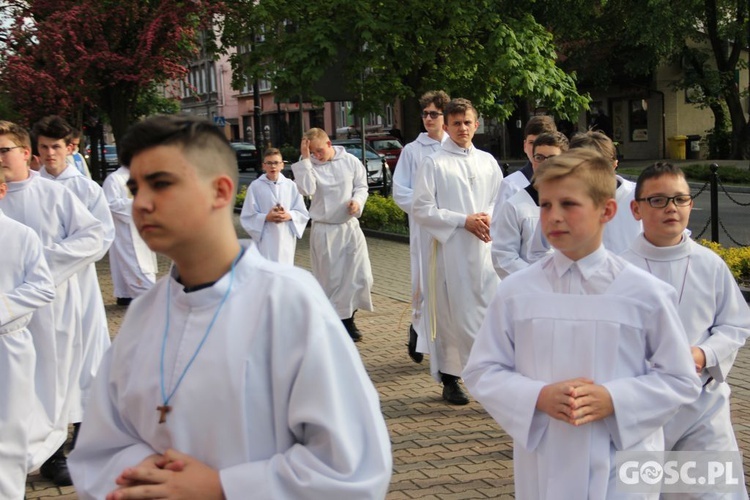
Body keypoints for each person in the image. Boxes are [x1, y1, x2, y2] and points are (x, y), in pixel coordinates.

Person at [68, 115, 392, 499]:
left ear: (220, 191)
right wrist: (143, 473)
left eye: (161, 184)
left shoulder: (290, 303)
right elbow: (99, 446)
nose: (141, 203)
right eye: (136, 188)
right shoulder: (142, 314)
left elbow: (351, 465)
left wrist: (223, 487)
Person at [463, 149, 701, 498]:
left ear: (607, 210)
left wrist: (614, 398)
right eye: (545, 205)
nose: (554, 217)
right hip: (546, 457)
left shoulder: (645, 293)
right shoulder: (516, 291)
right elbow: (482, 369)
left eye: (569, 204)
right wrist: (537, 396)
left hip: (622, 457)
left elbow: (680, 379)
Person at [622, 163, 750, 499]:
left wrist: (703, 353)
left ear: (691, 204)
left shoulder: (710, 264)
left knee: (711, 493)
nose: (671, 209)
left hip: (701, 406)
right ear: (636, 208)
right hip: (642, 410)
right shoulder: (617, 271)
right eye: (659, 200)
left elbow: (735, 324)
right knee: (645, 491)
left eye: (680, 199)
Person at [0, 121, 104, 486]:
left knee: (53, 381)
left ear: (24, 153)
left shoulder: (54, 194)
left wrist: (41, 261)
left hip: (50, 306)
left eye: (4, 151)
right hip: (8, 319)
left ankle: (51, 452)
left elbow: (94, 236)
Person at [33, 115, 116, 455]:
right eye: (44, 147)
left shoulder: (86, 189)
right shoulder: (27, 186)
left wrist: (46, 262)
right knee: (45, 364)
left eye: (56, 146)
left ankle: (84, 437)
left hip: (77, 289)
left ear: (71, 148)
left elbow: (101, 238)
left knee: (85, 360)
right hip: (35, 295)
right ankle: (47, 443)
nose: (50, 153)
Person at [411, 98, 503, 405]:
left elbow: (498, 198)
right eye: (456, 123)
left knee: (487, 310)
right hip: (449, 249)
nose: (462, 128)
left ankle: (490, 374)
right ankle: (451, 378)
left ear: (477, 124)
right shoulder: (434, 162)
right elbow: (422, 208)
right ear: (446, 127)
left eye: (468, 122)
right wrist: (462, 221)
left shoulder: (488, 161)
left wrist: (488, 215)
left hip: (484, 249)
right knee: (449, 313)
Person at [0, 169, 56, 500]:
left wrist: (3, 307)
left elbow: (42, 287)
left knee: (9, 427)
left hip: (9, 345)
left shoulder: (21, 235)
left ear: (2, 190)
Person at [291, 127, 374, 341]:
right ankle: (341, 323)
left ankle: (348, 316)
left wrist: (357, 202)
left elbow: (361, 186)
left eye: (319, 151)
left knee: (360, 276)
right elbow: (307, 189)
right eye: (313, 153)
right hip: (325, 228)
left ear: (329, 144)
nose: (318, 156)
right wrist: (306, 160)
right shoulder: (310, 165)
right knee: (332, 280)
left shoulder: (350, 161)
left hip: (349, 226)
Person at [392, 90, 450, 364]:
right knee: (424, 282)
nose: (428, 118)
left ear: (444, 117)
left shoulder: (455, 147)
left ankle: (443, 343)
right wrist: (427, 210)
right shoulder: (413, 151)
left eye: (434, 114)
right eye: (425, 114)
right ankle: (418, 329)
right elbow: (400, 191)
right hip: (424, 227)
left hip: (452, 227)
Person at [526, 129, 642, 260]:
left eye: (596, 167)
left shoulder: (638, 196)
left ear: (613, 165)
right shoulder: (559, 198)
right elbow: (538, 252)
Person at [491, 131, 568, 278]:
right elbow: (503, 256)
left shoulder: (577, 203)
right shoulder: (515, 205)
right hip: (532, 288)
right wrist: (538, 277)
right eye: (539, 158)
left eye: (552, 158)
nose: (544, 164)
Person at [240, 147, 309, 264]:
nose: (273, 166)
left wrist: (289, 215)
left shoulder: (291, 185)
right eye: (269, 163)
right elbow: (248, 215)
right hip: (266, 236)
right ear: (263, 166)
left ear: (282, 165)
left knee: (285, 270)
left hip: (285, 235)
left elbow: (302, 212)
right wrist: (266, 217)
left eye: (276, 163)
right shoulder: (255, 186)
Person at [103, 161, 159, 306]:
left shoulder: (144, 176)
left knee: (142, 262)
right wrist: (137, 204)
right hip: (125, 231)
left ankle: (126, 295)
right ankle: (143, 294)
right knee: (133, 263)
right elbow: (110, 204)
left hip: (142, 228)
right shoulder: (114, 179)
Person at [494, 115, 556, 209]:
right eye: (531, 143)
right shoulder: (511, 184)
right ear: (525, 145)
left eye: (541, 143)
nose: (535, 149)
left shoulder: (568, 183)